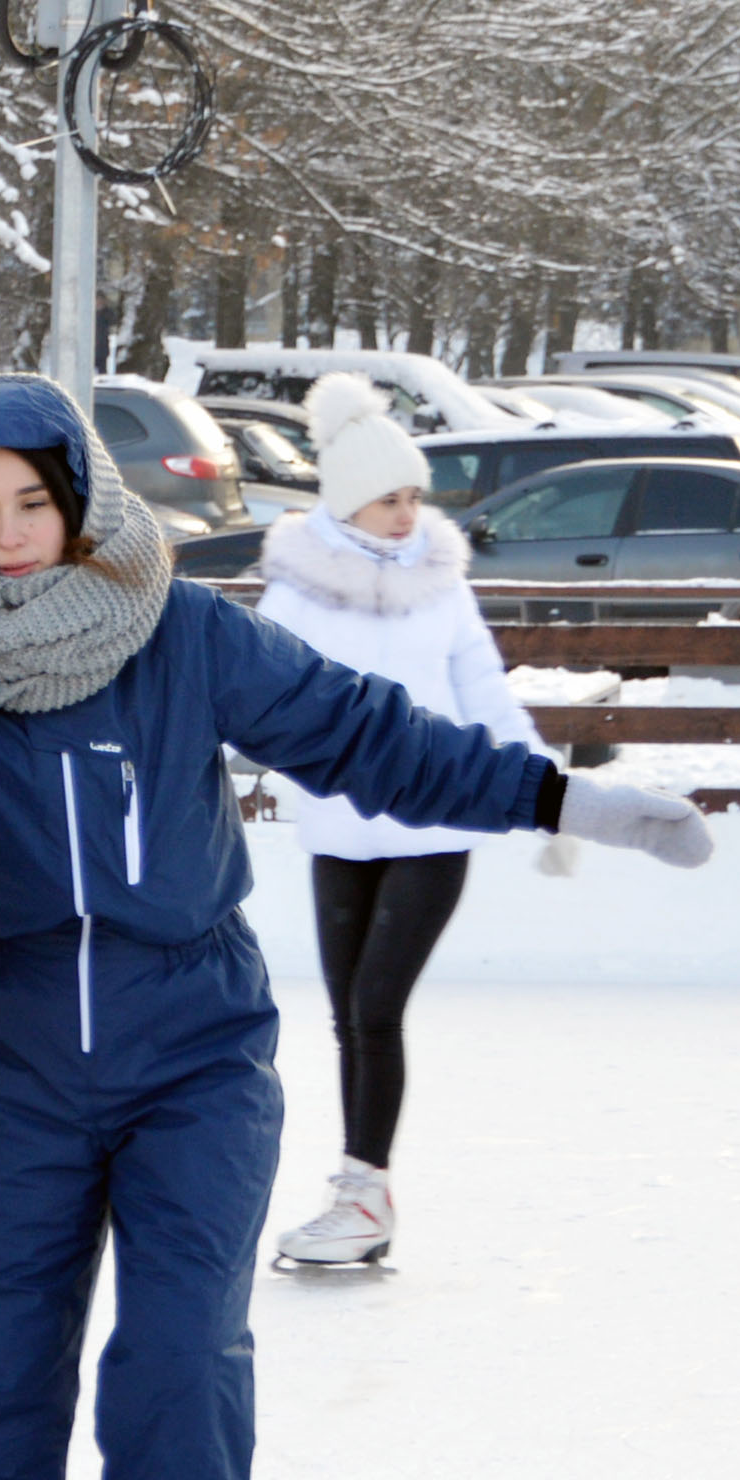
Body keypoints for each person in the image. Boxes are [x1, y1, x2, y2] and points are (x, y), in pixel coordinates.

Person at [0, 373, 710, 1480]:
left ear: (80, 497)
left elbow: (372, 736)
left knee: (177, 1362)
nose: (6, 536)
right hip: (15, 1061)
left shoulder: (181, 632)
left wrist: (563, 802)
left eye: (29, 502)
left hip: (197, 1054)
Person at [250, 375, 552, 1269]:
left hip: (433, 826)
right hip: (339, 832)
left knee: (377, 1007)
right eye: (391, 498)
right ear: (348, 502)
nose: (407, 513)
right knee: (349, 1014)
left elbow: (485, 691)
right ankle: (360, 1189)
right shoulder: (299, 592)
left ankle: (366, 1189)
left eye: (416, 496)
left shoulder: (441, 585)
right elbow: (252, 693)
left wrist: (549, 793)